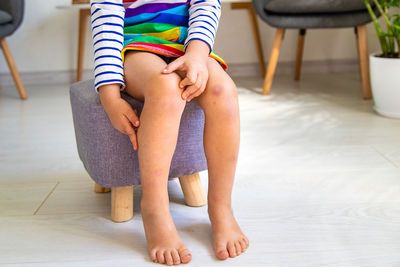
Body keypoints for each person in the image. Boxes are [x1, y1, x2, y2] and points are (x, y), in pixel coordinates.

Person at [90, 0, 249, 265]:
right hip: (135, 48)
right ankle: (154, 208)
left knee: (223, 91)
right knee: (166, 91)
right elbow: (105, 25)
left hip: (187, 46)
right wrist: (109, 95)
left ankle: (221, 207)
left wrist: (198, 54)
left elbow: (207, 5)